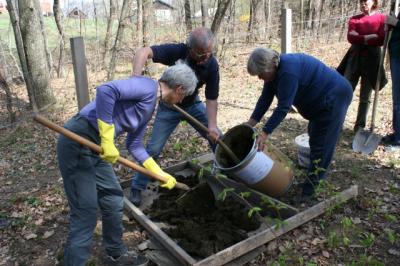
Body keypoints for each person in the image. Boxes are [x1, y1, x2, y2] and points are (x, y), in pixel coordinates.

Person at [56, 63, 197, 265]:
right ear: (179, 89)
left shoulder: (150, 106)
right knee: (85, 212)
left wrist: (159, 173)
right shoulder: (147, 87)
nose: (180, 101)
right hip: (79, 139)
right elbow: (106, 90)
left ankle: (116, 253)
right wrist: (106, 138)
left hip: (99, 149)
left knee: (114, 199)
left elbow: (135, 144)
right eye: (183, 97)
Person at [129, 27, 221, 206]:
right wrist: (135, 79)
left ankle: (227, 176)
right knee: (153, 149)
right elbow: (144, 52)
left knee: (217, 138)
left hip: (193, 105)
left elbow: (211, 99)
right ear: (190, 48)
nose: (206, 57)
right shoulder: (177, 51)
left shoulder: (212, 65)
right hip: (169, 107)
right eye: (201, 54)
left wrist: (212, 125)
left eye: (209, 53)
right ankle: (136, 187)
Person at [246, 48, 353, 199]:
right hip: (320, 101)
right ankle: (313, 177)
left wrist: (264, 133)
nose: (259, 78)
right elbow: (265, 98)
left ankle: (309, 191)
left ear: (269, 66)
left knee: (322, 144)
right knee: (315, 137)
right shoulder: (273, 73)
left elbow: (283, 107)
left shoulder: (288, 72)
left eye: (260, 74)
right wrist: (250, 123)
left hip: (334, 96)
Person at [337, 0, 387, 133]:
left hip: (372, 61)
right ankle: (337, 122)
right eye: (361, 2)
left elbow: (381, 39)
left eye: (366, 1)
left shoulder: (382, 18)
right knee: (345, 91)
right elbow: (350, 38)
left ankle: (359, 127)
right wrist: (369, 37)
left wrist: (360, 37)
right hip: (354, 59)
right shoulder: (354, 20)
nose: (363, 4)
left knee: (366, 96)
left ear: (374, 2)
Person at [382, 11, 400, 147]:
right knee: (396, 98)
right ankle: (397, 133)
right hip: (396, 55)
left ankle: (399, 139)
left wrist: (396, 23)